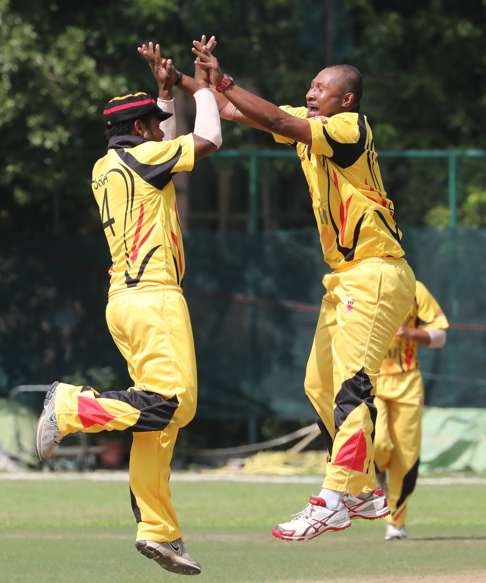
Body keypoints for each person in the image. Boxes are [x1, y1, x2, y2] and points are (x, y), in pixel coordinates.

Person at [192, 39, 416, 541]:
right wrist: (189, 81)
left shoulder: (348, 128)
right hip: (345, 278)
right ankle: (363, 490)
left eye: (321, 87)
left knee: (351, 389)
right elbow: (233, 110)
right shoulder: (309, 125)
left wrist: (224, 80)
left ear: (347, 100)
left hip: (377, 271)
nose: (311, 93)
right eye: (310, 86)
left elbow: (273, 120)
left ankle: (333, 497)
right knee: (319, 386)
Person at [36, 38, 222, 575]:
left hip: (124, 300)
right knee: (169, 405)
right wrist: (203, 86)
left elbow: (148, 142)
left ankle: (159, 530)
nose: (164, 132)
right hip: (155, 297)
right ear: (141, 133)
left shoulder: (105, 166)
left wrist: (163, 94)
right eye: (157, 126)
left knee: (158, 418)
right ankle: (72, 406)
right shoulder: (146, 157)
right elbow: (208, 138)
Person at [374, 280, 449, 541]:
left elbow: (440, 336)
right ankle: (378, 470)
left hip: (407, 381)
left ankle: (396, 522)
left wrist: (409, 333)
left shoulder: (415, 289)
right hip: (369, 379)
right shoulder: (358, 285)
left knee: (405, 456)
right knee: (379, 444)